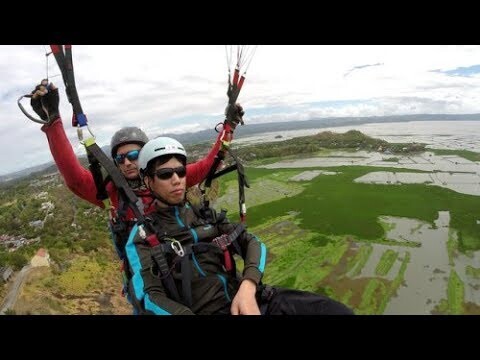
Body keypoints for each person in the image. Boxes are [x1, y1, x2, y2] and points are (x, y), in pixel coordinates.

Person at [29, 81, 244, 296]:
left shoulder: (167, 176)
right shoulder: (113, 193)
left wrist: (229, 126)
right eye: (120, 159)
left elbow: (209, 164)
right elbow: (74, 177)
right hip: (152, 281)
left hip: (189, 265)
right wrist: (53, 121)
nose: (127, 163)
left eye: (133, 156)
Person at [125, 136, 354, 315]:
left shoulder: (205, 216)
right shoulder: (144, 237)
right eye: (166, 174)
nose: (176, 179)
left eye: (180, 171)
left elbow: (252, 242)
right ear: (148, 180)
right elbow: (148, 296)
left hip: (248, 300)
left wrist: (248, 285)